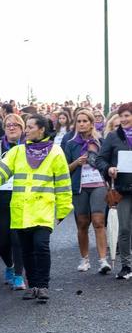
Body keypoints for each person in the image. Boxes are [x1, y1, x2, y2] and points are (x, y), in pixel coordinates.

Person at [0, 114, 72, 302]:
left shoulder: (56, 152)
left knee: (41, 246)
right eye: (25, 127)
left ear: (42, 129)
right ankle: (32, 285)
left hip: (42, 209)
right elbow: (0, 170)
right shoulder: (18, 151)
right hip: (20, 210)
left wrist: (63, 208)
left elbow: (63, 183)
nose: (25, 130)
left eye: (29, 127)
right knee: (26, 249)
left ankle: (43, 285)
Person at [64, 109, 110, 274]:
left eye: (85, 121)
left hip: (99, 184)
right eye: (79, 121)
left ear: (91, 123)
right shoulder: (70, 144)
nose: (82, 124)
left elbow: (108, 163)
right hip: (79, 186)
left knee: (98, 221)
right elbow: (64, 170)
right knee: (82, 223)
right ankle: (84, 259)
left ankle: (103, 260)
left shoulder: (101, 142)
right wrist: (76, 162)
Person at [0, 114, 27, 289]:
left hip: (22, 196)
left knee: (17, 238)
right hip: (0, 198)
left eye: (16, 125)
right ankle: (9, 266)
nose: (12, 128)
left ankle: (19, 275)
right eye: (8, 125)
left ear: (22, 128)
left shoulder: (29, 147)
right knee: (2, 240)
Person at [95, 103, 132, 279]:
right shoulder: (112, 137)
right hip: (122, 190)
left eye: (127, 115)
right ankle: (126, 266)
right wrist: (109, 168)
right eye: (122, 116)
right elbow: (100, 159)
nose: (124, 119)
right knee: (124, 228)